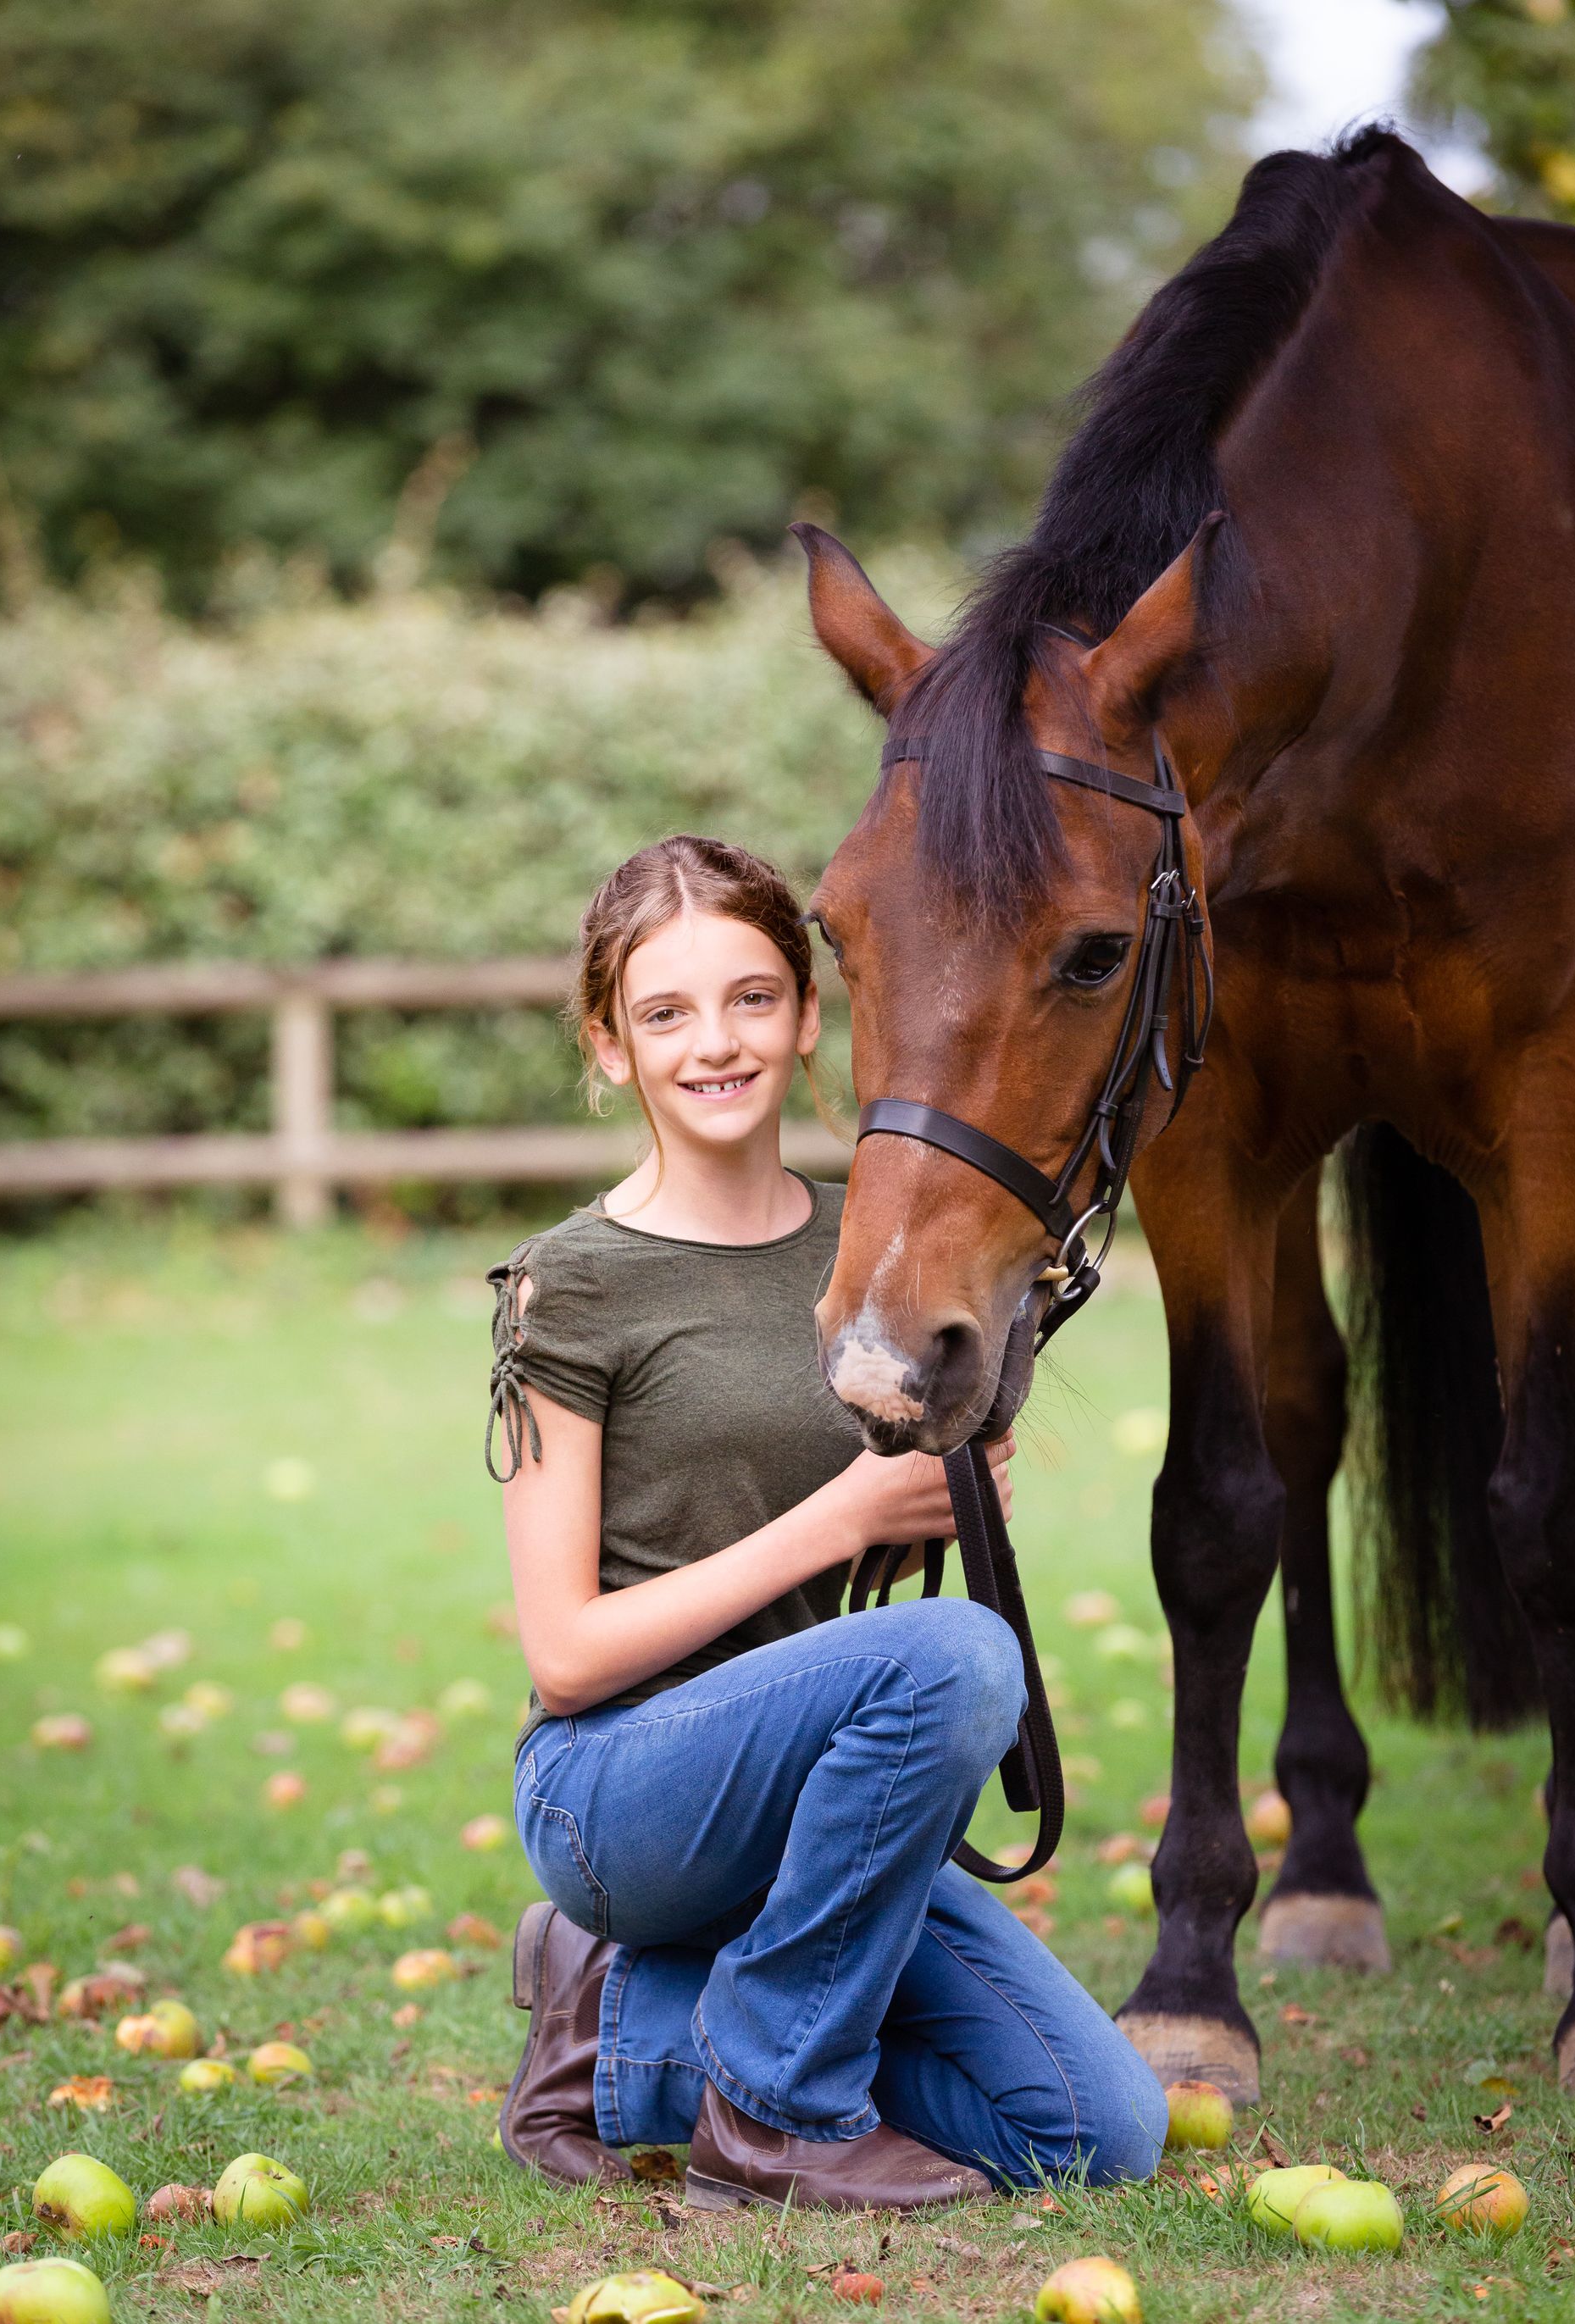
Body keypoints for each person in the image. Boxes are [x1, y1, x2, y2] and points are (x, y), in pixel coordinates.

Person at [485, 834, 1165, 2210]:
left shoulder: (881, 1244)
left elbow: (869, 1575)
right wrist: (843, 1516)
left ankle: (623, 2035)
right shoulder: (571, 1283)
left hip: (818, 1818)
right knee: (960, 1657)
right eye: (665, 1014)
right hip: (620, 1791)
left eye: (750, 998)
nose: (714, 1043)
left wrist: (941, 1493)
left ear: (808, 1019)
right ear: (610, 1048)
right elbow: (563, 1653)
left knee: (1096, 2132)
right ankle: (775, 2115)